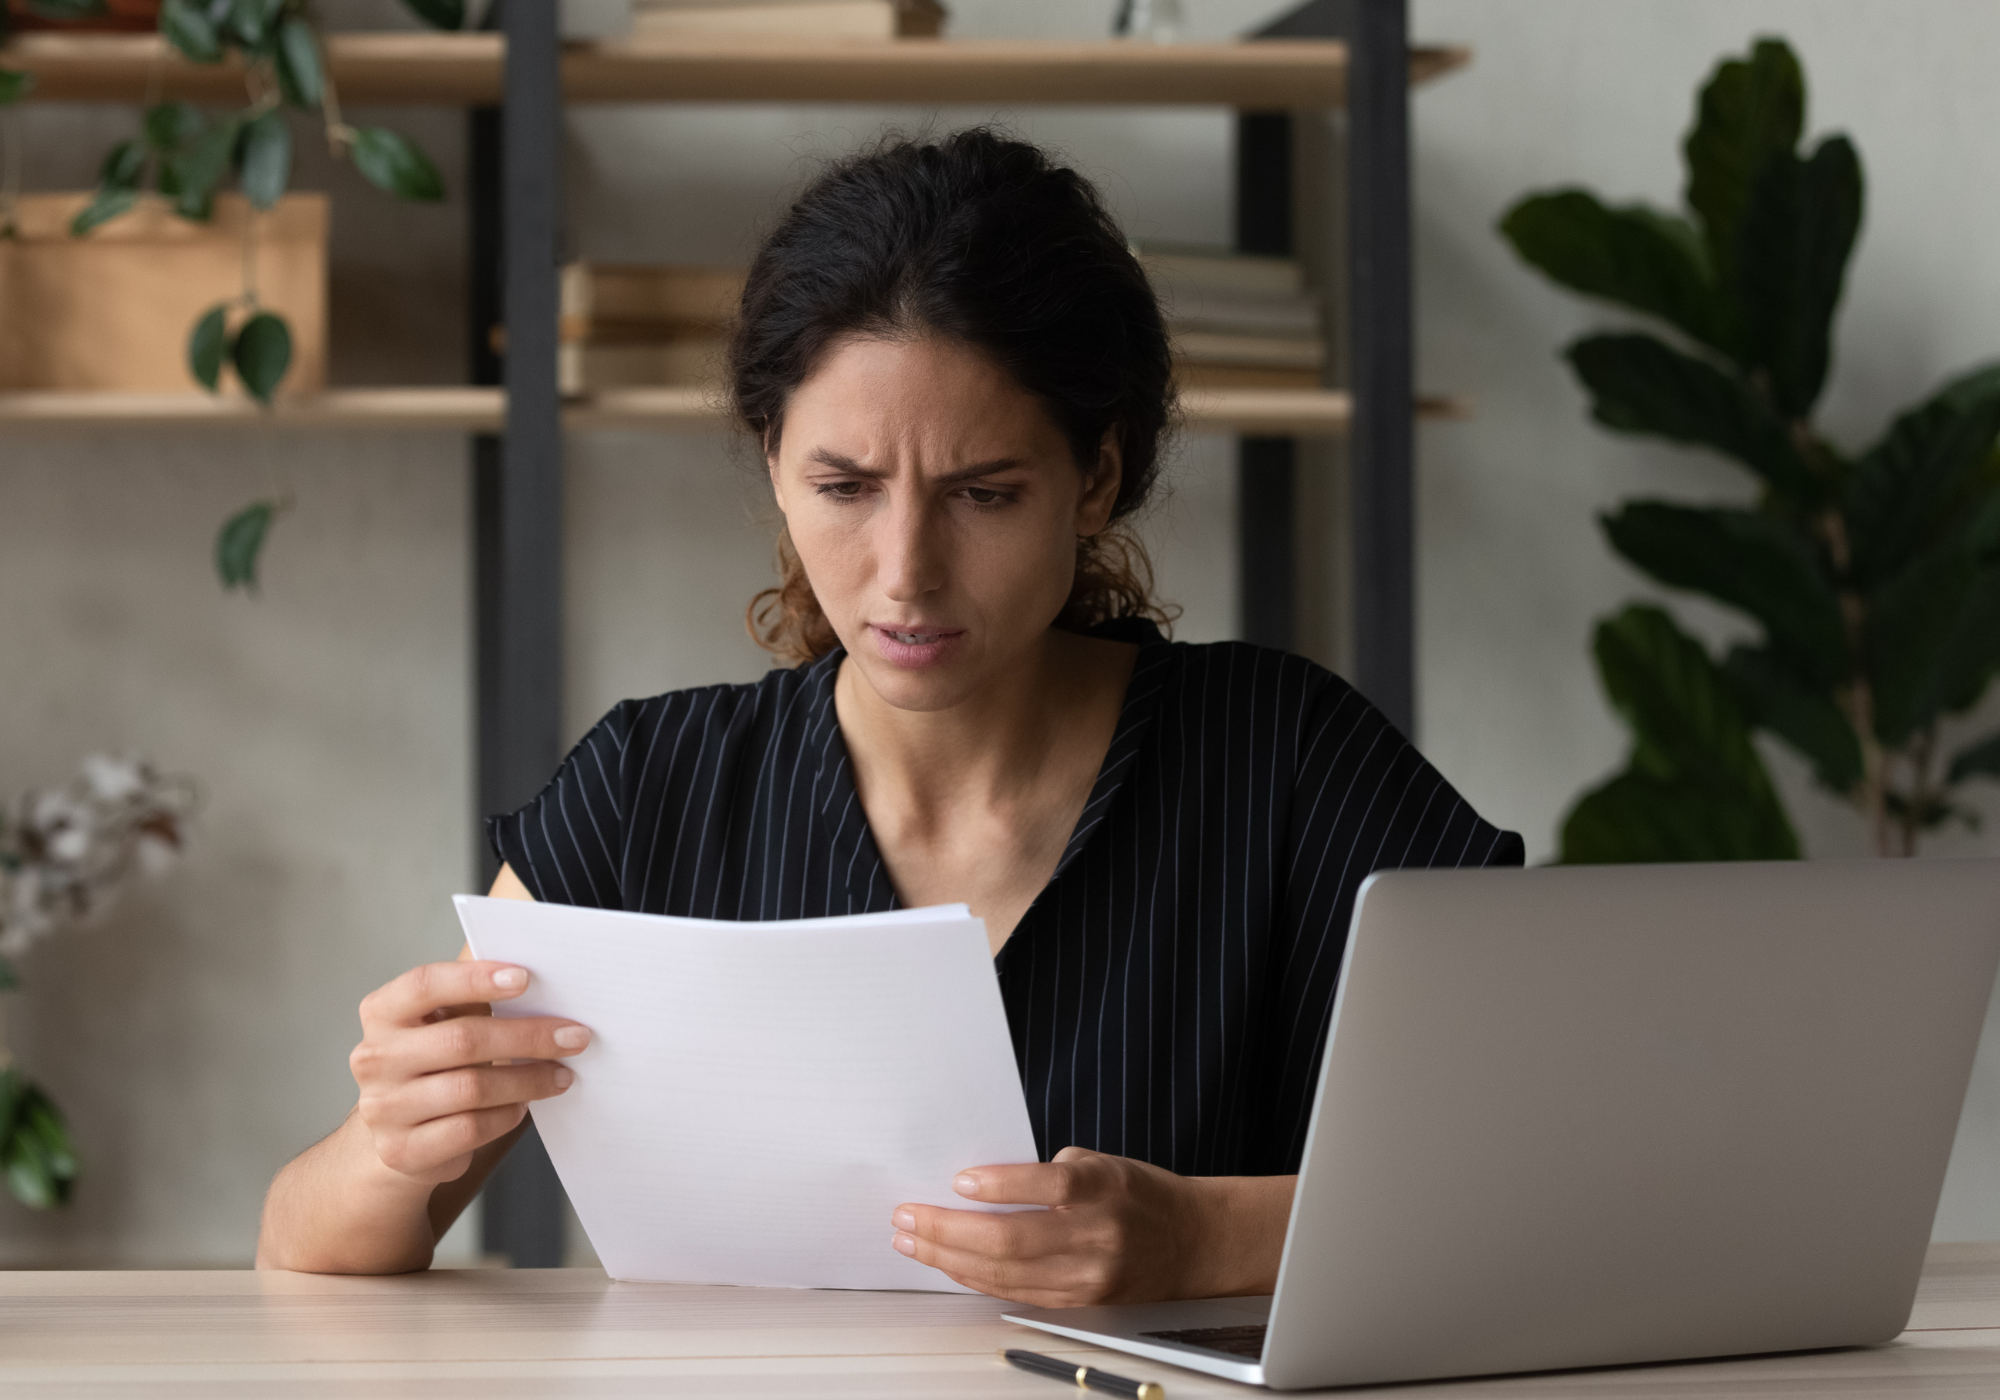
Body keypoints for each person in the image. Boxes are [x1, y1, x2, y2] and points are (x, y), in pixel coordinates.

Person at [257, 128, 1523, 1302]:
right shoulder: (652, 789)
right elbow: (306, 1250)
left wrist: (1200, 1237)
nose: (905, 570)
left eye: (982, 492)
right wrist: (391, 1137)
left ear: (1097, 476)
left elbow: (1536, 1181)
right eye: (843, 486)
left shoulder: (1286, 758)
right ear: (771, 462)